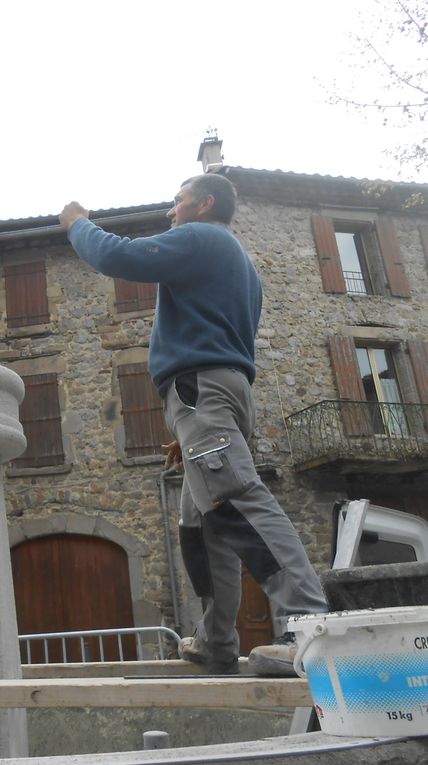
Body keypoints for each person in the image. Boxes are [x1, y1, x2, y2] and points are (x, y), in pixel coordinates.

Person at [59, 174, 328, 676]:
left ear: (205, 204)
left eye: (178, 201)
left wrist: (78, 224)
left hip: (200, 393)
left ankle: (308, 627)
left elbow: (117, 257)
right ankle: (216, 642)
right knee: (202, 528)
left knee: (235, 500)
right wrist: (189, 428)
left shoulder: (201, 237)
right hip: (211, 397)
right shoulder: (238, 262)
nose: (170, 212)